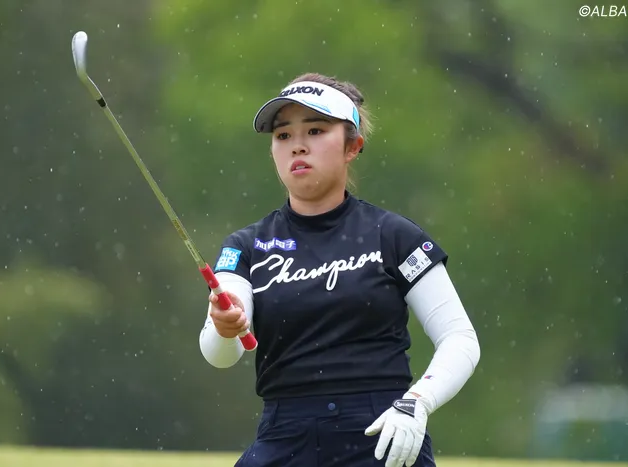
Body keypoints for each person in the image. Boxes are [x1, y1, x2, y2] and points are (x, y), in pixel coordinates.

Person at [199, 72, 481, 467]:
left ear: (353, 146)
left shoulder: (395, 236)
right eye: (283, 135)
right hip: (284, 436)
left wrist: (417, 402)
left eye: (315, 131)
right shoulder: (246, 246)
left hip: (383, 432)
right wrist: (227, 326)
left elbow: (459, 338)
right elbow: (220, 354)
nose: (297, 145)